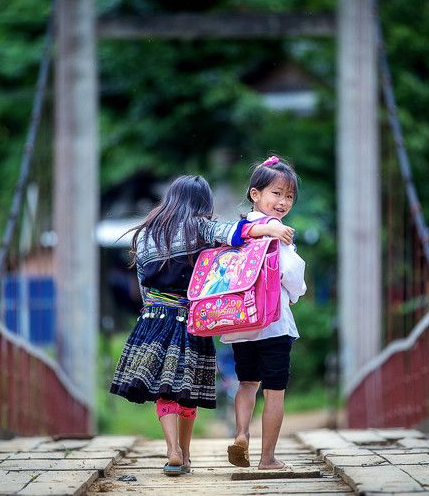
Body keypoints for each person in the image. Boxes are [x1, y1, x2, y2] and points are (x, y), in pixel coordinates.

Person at [108, 175, 294, 476]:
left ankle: (173, 451)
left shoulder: (145, 234)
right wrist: (270, 227)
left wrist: (152, 309)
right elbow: (238, 232)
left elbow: (142, 281)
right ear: (202, 203)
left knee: (164, 391)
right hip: (192, 320)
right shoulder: (200, 227)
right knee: (187, 390)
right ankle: (186, 453)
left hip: (154, 318)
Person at [221, 156, 307, 470]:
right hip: (273, 325)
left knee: (246, 384)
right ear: (255, 194)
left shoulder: (239, 231)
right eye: (277, 193)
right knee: (274, 392)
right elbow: (291, 273)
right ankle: (267, 458)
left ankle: (242, 433)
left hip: (241, 324)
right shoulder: (278, 232)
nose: (283, 201)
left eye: (288, 196)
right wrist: (297, 294)